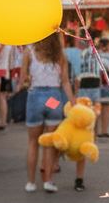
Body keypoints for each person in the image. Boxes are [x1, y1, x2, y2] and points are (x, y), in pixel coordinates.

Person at [21, 33, 74, 193]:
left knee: (33, 142)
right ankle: (48, 181)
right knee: (50, 143)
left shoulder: (29, 51)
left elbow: (24, 79)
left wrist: (28, 80)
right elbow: (65, 81)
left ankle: (31, 182)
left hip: (35, 96)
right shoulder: (59, 54)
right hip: (53, 98)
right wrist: (73, 101)